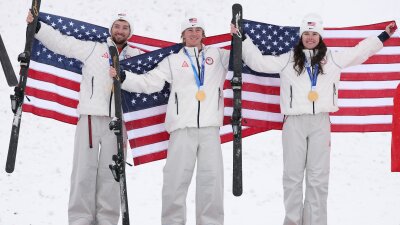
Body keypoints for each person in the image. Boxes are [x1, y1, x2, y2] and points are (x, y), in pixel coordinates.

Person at [232, 13, 396, 225]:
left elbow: (359, 52)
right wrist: (242, 39)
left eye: (314, 33)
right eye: (307, 33)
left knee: (318, 179)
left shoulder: (333, 58)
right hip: (294, 123)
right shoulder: (288, 59)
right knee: (292, 177)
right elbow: (259, 63)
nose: (310, 37)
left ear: (320, 36)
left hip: (320, 122)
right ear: (301, 36)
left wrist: (383, 36)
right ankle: (292, 221)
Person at [110, 15, 229, 225]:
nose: (194, 34)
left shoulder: (218, 56)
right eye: (189, 31)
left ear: (203, 34)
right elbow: (150, 82)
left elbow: (242, 58)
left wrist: (241, 37)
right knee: (175, 182)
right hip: (181, 130)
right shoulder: (173, 60)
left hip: (210, 130)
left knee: (212, 183)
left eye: (198, 30)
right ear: (182, 36)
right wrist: (124, 77)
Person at [27, 11, 143, 225]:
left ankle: (107, 218)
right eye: (117, 26)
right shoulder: (94, 49)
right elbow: (63, 43)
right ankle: (80, 217)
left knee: (113, 173)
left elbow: (148, 80)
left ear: (130, 32)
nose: (120, 30)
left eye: (125, 27)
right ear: (111, 29)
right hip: (89, 118)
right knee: (83, 170)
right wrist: (38, 27)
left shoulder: (136, 56)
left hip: (118, 122)